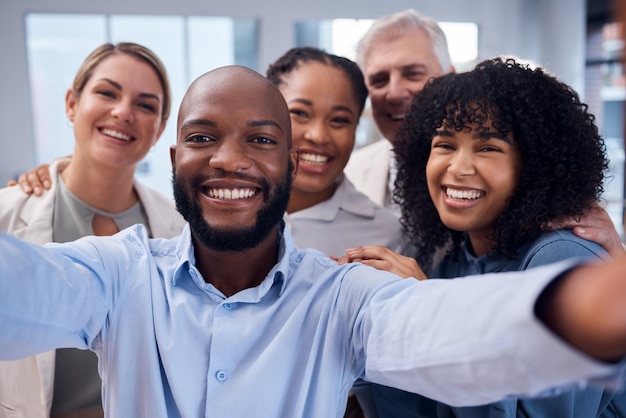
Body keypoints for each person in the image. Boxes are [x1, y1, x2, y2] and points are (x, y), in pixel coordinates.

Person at [1, 64, 626, 418]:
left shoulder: (342, 293)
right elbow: (24, 289)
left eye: (262, 140)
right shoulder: (120, 271)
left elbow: (445, 330)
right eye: (201, 137)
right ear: (173, 157)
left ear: (292, 165)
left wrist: (584, 304)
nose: (229, 159)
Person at [340, 57, 626, 417]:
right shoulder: (449, 260)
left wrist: (427, 310)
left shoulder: (561, 256)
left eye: (488, 148)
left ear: (534, 167)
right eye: (444, 144)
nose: (458, 168)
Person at [343, 8, 625, 260]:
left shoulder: (560, 245)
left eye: (413, 73)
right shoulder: (458, 258)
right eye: (444, 145)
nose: (394, 92)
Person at [0, 42, 185, 418]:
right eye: (107, 92)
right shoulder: (7, 213)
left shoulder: (180, 228)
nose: (123, 112)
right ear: (72, 103)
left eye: (145, 105)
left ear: (159, 129)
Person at [266, 46, 406, 257]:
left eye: (339, 120)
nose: (319, 136)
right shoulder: (224, 206)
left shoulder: (387, 235)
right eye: (300, 113)